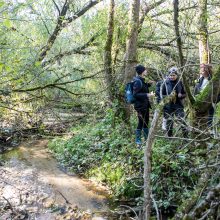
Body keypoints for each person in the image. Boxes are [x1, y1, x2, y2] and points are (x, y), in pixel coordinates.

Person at [162, 67, 188, 137]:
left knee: (182, 120)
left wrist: (181, 95)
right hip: (168, 106)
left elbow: (185, 93)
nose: (172, 77)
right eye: (171, 75)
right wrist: (168, 97)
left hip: (178, 105)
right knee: (169, 122)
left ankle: (186, 137)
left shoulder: (180, 82)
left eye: (174, 75)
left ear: (177, 75)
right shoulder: (165, 83)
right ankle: (170, 137)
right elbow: (162, 94)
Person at [133, 64, 155, 145]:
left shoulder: (142, 80)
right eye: (145, 70)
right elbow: (135, 94)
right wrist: (147, 95)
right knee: (141, 122)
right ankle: (138, 141)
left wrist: (149, 84)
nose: (146, 71)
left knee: (146, 121)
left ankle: (146, 140)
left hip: (145, 105)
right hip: (140, 106)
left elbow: (143, 89)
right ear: (142, 72)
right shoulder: (138, 81)